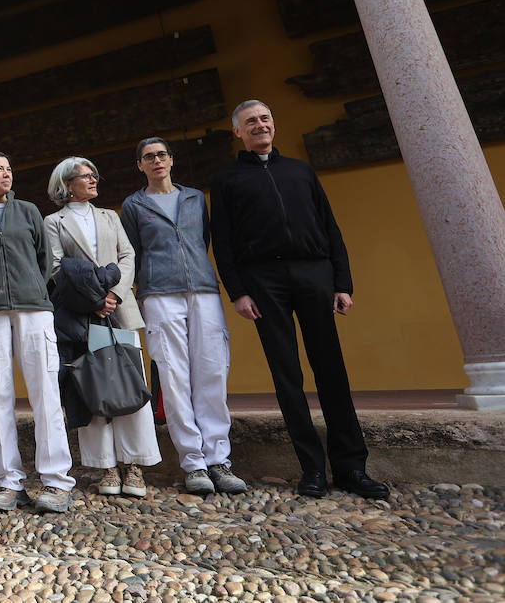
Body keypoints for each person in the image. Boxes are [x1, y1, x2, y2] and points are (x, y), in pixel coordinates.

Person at [210, 100, 389, 500]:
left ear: (273, 124)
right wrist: (238, 291)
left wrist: (342, 282)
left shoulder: (301, 171)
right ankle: (312, 469)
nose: (260, 125)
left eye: (265, 119)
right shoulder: (227, 180)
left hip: (314, 274)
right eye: (250, 122)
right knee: (287, 375)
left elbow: (330, 226)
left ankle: (351, 468)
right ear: (237, 132)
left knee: (331, 371)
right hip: (263, 281)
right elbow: (222, 241)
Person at [120, 137, 247, 496]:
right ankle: (193, 463)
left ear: (172, 160)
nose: (157, 161)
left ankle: (219, 460)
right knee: (174, 377)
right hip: (159, 294)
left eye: (162, 155)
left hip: (203, 290)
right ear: (140, 165)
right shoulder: (133, 205)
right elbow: (133, 251)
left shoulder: (194, 198)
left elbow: (201, 241)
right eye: (149, 157)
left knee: (212, 371)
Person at [0, 151, 74, 515]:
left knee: (45, 392)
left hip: (33, 307)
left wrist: (29, 289)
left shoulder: (28, 212)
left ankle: (55, 481)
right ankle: (9, 482)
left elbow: (43, 259)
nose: (6, 174)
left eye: (9, 168)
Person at [45, 156, 161, 499]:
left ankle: (135, 465)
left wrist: (112, 294)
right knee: (93, 384)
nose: (94, 180)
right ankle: (107, 467)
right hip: (83, 316)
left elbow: (128, 257)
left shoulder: (111, 216)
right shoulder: (54, 221)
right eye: (86, 175)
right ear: (68, 184)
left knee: (128, 382)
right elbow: (55, 268)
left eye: (95, 174)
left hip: (119, 312)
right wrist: (93, 300)